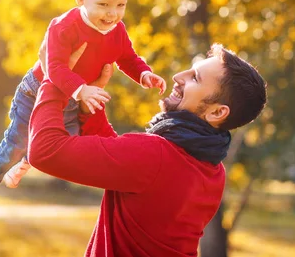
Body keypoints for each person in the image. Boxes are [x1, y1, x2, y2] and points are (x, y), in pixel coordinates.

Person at [0, 0, 166, 221]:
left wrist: (144, 74)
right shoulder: (64, 27)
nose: (112, 14)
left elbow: (127, 57)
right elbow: (56, 68)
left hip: (72, 97)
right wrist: (82, 89)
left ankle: (26, 160)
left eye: (120, 5)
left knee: (65, 142)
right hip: (38, 91)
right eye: (104, 5)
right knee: (16, 141)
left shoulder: (117, 30)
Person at [28, 43, 267, 256]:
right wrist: (92, 105)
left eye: (195, 78)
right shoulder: (213, 171)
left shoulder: (156, 155)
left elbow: (44, 150)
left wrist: (54, 79)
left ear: (217, 112)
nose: (178, 76)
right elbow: (122, 165)